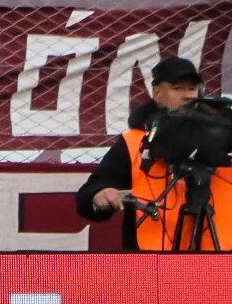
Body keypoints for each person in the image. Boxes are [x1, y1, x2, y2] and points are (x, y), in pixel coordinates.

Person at [76, 56, 203, 248]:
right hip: (151, 256)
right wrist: (100, 194)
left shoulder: (223, 138)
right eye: (178, 88)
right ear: (157, 93)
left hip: (218, 256)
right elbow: (88, 194)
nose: (188, 95)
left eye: (192, 88)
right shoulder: (135, 141)